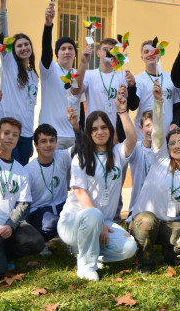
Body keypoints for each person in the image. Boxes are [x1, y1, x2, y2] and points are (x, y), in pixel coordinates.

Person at [58, 85, 138, 281]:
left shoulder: (118, 154)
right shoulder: (81, 158)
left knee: (130, 247)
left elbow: (133, 139)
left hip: (104, 222)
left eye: (104, 127)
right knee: (93, 213)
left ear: (110, 130)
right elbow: (79, 192)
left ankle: (87, 249)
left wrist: (122, 111)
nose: (100, 132)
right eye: (94, 129)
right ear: (89, 133)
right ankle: (86, 267)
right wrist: (99, 221)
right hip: (73, 222)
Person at [0, 78, 44, 280]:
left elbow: (23, 203)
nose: (10, 138)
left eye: (15, 134)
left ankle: (3, 252)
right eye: (6, 133)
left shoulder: (20, 170)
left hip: (9, 228)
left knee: (36, 242)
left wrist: (11, 225)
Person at [130, 81, 180, 273]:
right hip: (146, 221)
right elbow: (159, 131)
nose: (177, 146)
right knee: (146, 223)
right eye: (172, 143)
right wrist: (158, 102)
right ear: (166, 147)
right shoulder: (160, 158)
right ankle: (145, 260)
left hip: (169, 224)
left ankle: (170, 253)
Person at [0, 0, 39, 165]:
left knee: (21, 175)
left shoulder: (34, 76)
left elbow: (30, 108)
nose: (23, 48)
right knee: (8, 174)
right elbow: (3, 35)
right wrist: (3, 5)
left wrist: (30, 138)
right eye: (19, 45)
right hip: (7, 130)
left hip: (26, 133)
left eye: (26, 44)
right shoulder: (9, 63)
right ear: (13, 50)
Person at [39, 0, 82, 150]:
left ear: (75, 54)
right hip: (51, 136)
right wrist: (48, 25)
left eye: (70, 48)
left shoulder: (78, 75)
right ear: (57, 53)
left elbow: (81, 106)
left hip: (73, 136)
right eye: (62, 48)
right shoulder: (49, 70)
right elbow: (45, 49)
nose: (67, 51)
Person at [24, 119, 74, 248]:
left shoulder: (61, 157)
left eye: (52, 140)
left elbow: (80, 146)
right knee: (52, 223)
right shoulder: (28, 170)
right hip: (40, 210)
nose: (48, 145)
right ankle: (46, 240)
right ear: (36, 145)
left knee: (79, 216)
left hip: (61, 205)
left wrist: (75, 126)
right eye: (43, 141)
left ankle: (65, 239)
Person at [74, 38, 139, 127]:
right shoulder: (88, 75)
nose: (108, 52)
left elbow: (132, 106)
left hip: (117, 133)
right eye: (105, 49)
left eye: (112, 50)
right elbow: (75, 91)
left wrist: (132, 87)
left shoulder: (124, 76)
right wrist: (83, 63)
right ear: (98, 53)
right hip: (94, 131)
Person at [135, 39, 179, 137]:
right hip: (145, 136)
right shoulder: (137, 80)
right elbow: (133, 104)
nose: (151, 54)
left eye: (154, 50)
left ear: (160, 54)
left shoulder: (171, 78)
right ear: (142, 57)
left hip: (167, 134)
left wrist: (175, 122)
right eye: (146, 52)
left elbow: (177, 106)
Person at [125, 109, 156, 223]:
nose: (151, 129)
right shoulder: (136, 148)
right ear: (141, 128)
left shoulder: (163, 151)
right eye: (148, 125)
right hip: (137, 210)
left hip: (158, 210)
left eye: (154, 125)